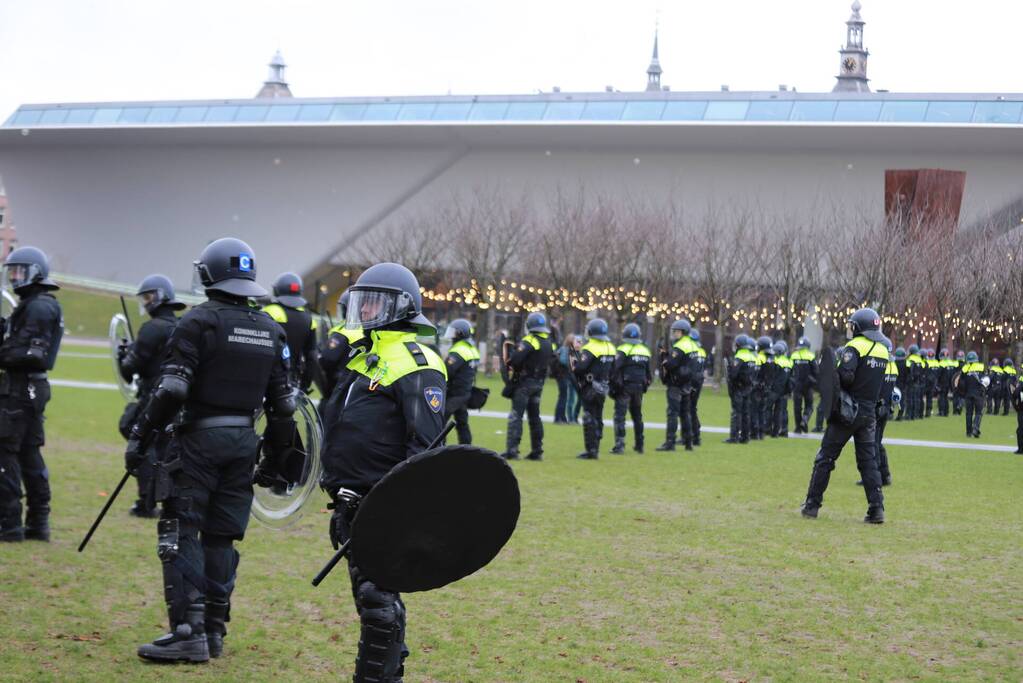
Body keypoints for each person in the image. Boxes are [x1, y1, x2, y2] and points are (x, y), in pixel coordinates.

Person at [126, 237, 294, 662]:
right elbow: (283, 408)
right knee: (222, 536)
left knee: (181, 530)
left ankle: (188, 630)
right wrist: (277, 459)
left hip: (198, 440)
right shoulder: (270, 329)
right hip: (243, 443)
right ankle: (214, 631)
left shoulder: (199, 322)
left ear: (209, 274)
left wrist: (140, 436)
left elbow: (172, 387)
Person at [319, 262, 446, 682]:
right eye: (363, 302)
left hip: (383, 504)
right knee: (370, 599)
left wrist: (399, 510)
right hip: (350, 501)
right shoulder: (364, 355)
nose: (366, 310)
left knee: (378, 600)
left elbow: (425, 447)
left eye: (375, 303)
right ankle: (388, 671)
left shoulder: (419, 360)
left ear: (403, 307)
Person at [801, 308, 888, 524]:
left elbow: (847, 378)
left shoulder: (855, 347)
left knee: (825, 458)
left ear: (860, 327)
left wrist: (834, 370)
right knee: (868, 462)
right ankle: (876, 509)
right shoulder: (884, 350)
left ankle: (812, 505)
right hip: (869, 414)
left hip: (848, 412)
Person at [0, 246, 63, 543]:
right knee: (28, 453)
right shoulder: (34, 304)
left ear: (34, 272)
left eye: (19, 270)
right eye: (11, 270)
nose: (14, 276)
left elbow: (28, 351)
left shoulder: (39, 306)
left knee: (6, 452)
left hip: (21, 389)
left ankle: (9, 524)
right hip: (30, 387)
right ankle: (37, 523)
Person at [116, 274, 187, 518]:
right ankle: (167, 498)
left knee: (140, 439)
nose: (146, 303)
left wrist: (122, 355)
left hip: (153, 397)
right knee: (167, 447)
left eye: (148, 297)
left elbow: (129, 369)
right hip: (179, 399)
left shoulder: (151, 328)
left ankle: (146, 501)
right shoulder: (182, 326)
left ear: (160, 298)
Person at [500, 312, 553, 461]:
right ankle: (537, 451)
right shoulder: (547, 342)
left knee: (516, 416)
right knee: (535, 417)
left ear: (529, 325)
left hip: (524, 384)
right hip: (539, 384)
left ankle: (512, 450)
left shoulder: (529, 340)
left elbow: (515, 360)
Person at [263, 272, 322, 394]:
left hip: (264, 377)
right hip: (290, 381)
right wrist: (305, 386)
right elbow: (312, 358)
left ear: (277, 291)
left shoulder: (269, 312)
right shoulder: (308, 318)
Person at [574, 318, 616, 460]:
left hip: (591, 387)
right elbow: (613, 369)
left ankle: (591, 450)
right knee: (598, 417)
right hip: (603, 387)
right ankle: (596, 445)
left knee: (589, 417)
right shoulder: (610, 347)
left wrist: (575, 363)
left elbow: (580, 368)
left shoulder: (590, 347)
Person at [657, 318, 700, 452]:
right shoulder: (693, 345)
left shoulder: (680, 346)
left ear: (683, 332)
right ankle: (688, 442)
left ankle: (670, 442)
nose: (674, 334)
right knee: (685, 413)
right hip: (687, 384)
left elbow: (671, 364)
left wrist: (664, 357)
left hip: (676, 384)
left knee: (672, 413)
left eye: (676, 331)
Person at [859, 337, 896, 487]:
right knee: (878, 442)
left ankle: (876, 477)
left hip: (876, 407)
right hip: (886, 407)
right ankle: (885, 474)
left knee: (872, 443)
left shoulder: (880, 365)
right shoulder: (893, 366)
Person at [610, 322, 651, 454]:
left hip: (624, 388)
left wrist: (614, 386)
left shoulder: (623, 349)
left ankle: (620, 444)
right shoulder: (645, 351)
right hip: (639, 388)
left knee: (620, 416)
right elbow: (648, 373)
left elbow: (615, 369)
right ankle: (640, 444)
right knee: (637, 416)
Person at [443, 318, 479, 445]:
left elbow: (447, 370)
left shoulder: (458, 350)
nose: (451, 334)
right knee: (462, 423)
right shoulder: (472, 349)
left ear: (460, 333)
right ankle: (467, 449)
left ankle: (439, 449)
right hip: (465, 393)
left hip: (454, 394)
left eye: (453, 332)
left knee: (440, 421)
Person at [724, 334, 757, 444]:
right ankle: (745, 437)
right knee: (746, 413)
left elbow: (733, 374)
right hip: (748, 389)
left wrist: (729, 369)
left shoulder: (740, 357)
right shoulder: (752, 357)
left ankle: (734, 437)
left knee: (736, 413)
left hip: (738, 388)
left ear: (738, 345)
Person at [790, 337, 817, 433]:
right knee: (809, 406)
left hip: (797, 384)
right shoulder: (811, 356)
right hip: (808, 385)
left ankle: (798, 428)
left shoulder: (794, 356)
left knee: (797, 407)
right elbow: (816, 371)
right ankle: (805, 419)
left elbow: (790, 370)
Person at [957, 351, 986, 438]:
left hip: (968, 394)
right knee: (978, 413)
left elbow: (961, 384)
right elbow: (985, 381)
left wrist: (962, 394)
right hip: (979, 394)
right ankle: (976, 428)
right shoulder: (981, 367)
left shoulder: (964, 369)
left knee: (968, 414)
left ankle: (968, 432)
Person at [554, 333, 580, 424]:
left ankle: (561, 417)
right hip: (564, 376)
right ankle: (559, 418)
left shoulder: (563, 349)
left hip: (563, 376)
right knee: (563, 397)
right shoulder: (567, 350)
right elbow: (564, 361)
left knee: (563, 397)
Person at [688, 329, 708, 446]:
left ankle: (693, 434)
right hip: (699, 382)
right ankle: (694, 432)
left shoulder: (691, 351)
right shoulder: (702, 351)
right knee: (692, 408)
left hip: (692, 382)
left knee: (688, 408)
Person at [770, 341, 793, 437]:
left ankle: (767, 429)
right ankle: (783, 430)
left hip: (775, 390)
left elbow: (772, 376)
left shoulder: (776, 361)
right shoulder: (789, 362)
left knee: (768, 409)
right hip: (784, 391)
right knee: (782, 411)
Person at [905, 344, 925, 420]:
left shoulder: (910, 360)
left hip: (910, 382)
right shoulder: (920, 360)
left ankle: (908, 415)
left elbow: (908, 371)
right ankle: (915, 415)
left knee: (909, 399)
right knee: (916, 399)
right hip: (918, 382)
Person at [936, 348, 955, 417]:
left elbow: (938, 374)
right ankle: (946, 412)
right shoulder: (951, 363)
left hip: (942, 383)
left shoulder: (941, 363)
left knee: (941, 397)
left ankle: (941, 412)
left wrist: (937, 384)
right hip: (949, 383)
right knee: (946, 398)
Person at [893, 346, 908, 421]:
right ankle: (900, 415)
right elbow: (908, 374)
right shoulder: (906, 363)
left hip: (894, 383)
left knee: (891, 399)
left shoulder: (894, 362)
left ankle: (890, 415)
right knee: (902, 401)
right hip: (903, 384)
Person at [923, 348, 939, 417]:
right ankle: (928, 412)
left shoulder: (925, 362)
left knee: (925, 398)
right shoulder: (936, 363)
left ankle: (926, 412)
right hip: (932, 383)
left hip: (927, 383)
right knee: (929, 398)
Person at [952, 350, 966, 415]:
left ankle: (955, 411)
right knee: (962, 396)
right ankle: (959, 407)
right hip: (963, 382)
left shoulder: (954, 364)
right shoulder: (966, 365)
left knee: (955, 396)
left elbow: (951, 374)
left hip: (956, 381)